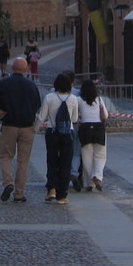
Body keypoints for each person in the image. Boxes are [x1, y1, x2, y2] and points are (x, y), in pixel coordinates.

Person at [0, 57, 41, 203]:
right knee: (23, 161)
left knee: (6, 156)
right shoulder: (31, 85)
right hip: (27, 126)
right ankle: (19, 193)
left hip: (9, 124)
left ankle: (8, 183)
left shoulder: (4, 83)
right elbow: (37, 104)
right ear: (26, 69)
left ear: (12, 68)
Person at [35, 73, 79, 204]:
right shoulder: (73, 99)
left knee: (52, 160)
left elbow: (41, 116)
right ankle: (62, 195)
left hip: (52, 132)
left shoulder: (49, 97)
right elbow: (75, 119)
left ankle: (51, 189)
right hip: (67, 133)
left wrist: (35, 129)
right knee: (65, 162)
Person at [78, 79, 109, 191]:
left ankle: (88, 183)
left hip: (85, 128)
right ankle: (97, 175)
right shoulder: (99, 100)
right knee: (100, 155)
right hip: (98, 128)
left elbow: (75, 116)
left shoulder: (79, 100)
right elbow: (105, 115)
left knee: (87, 156)